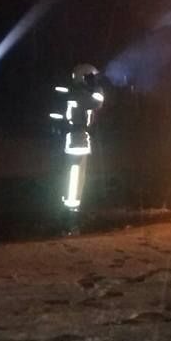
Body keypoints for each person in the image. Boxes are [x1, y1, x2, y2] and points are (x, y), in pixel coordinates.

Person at [50, 64, 104, 224]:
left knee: (74, 173)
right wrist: (98, 87)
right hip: (78, 139)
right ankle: (71, 212)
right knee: (76, 174)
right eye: (90, 77)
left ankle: (70, 209)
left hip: (75, 137)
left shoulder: (74, 93)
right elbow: (98, 102)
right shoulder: (82, 94)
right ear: (83, 77)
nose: (92, 80)